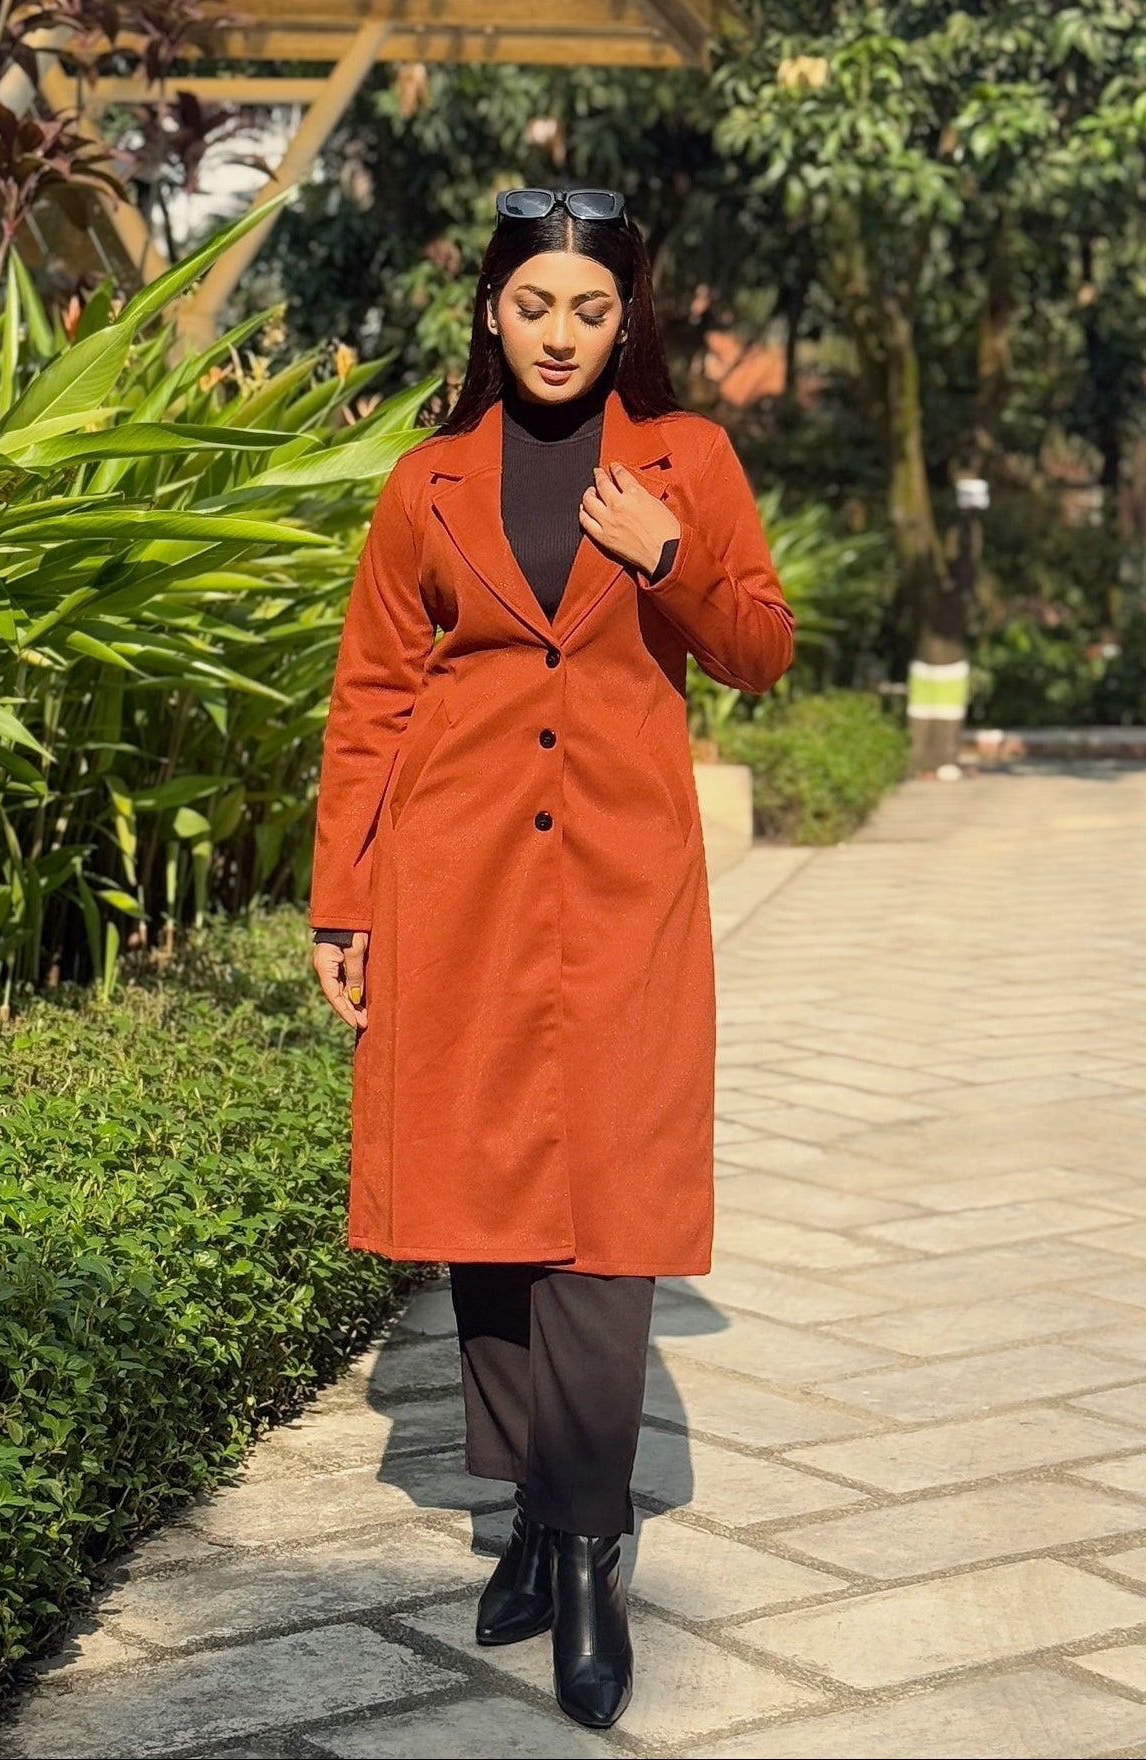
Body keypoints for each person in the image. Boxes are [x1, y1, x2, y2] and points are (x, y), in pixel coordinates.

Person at [308, 184, 794, 1729]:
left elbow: (761, 650)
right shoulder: (427, 482)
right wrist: (342, 902)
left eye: (591, 309)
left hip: (622, 884)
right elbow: (374, 693)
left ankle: (586, 1549)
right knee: (489, 1207)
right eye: (535, 307)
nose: (562, 335)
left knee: (610, 1217)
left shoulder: (686, 461)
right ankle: (526, 1508)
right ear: (491, 311)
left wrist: (671, 559)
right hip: (455, 881)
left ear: (626, 318)